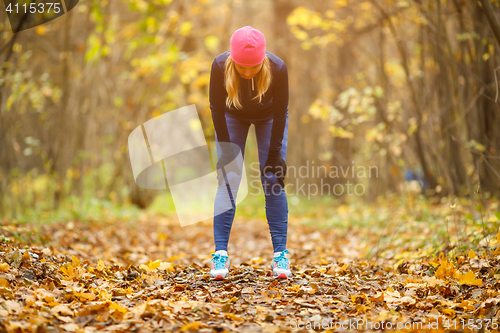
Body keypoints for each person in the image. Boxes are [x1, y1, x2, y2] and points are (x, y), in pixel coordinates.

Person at [208, 26, 292, 280]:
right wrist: (225, 151)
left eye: (253, 67)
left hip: (269, 119)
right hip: (232, 115)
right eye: (241, 67)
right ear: (233, 61)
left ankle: (280, 256)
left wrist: (274, 156)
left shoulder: (278, 68)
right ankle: (220, 254)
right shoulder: (220, 66)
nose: (246, 72)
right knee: (229, 179)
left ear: (263, 60)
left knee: (273, 180)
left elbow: (280, 114)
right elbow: (215, 108)